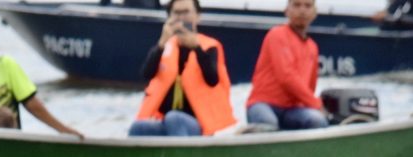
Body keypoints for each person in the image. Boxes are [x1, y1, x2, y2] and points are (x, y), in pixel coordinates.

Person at [130, 0, 235, 137]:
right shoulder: (165, 47)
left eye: (186, 12)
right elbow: (146, 74)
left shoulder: (209, 47)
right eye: (176, 13)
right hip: (164, 121)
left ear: (198, 16)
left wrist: (196, 48)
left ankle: (180, 156)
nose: (181, 17)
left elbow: (212, 79)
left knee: (175, 118)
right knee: (139, 127)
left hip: (199, 125)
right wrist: (161, 44)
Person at [246, 0, 328, 131]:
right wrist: (316, 104)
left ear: (315, 13)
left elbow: (310, 86)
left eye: (307, 6)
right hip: (263, 104)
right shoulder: (277, 34)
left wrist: (313, 105)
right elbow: (286, 76)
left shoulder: (313, 47)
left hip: (293, 109)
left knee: (317, 120)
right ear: (286, 10)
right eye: (296, 5)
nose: (302, 10)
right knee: (268, 125)